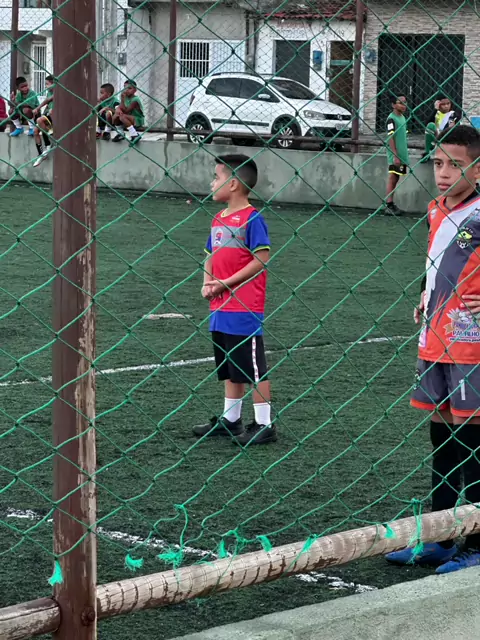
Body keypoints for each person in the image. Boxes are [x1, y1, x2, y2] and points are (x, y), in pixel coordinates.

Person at [386, 125, 480, 573]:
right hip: (435, 337)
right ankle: (440, 536)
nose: (442, 173)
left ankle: (477, 542)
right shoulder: (435, 209)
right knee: (441, 439)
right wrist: (423, 295)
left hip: (472, 344)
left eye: (455, 165)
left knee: (473, 442)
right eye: (438, 163)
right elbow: (436, 262)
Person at [192, 154, 276, 446]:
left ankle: (265, 424)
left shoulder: (253, 218)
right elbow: (209, 256)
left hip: (244, 308)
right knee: (229, 365)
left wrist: (225, 284)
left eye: (216, 177)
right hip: (220, 306)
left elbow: (260, 260)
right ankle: (231, 420)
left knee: (253, 368)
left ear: (234, 184)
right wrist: (207, 282)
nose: (211, 183)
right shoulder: (218, 219)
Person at [385, 94, 409, 216]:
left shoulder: (403, 117)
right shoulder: (391, 119)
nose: (404, 105)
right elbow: (391, 137)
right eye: (400, 103)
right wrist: (395, 155)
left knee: (396, 177)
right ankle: (388, 204)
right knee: (393, 177)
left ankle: (391, 203)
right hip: (395, 154)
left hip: (402, 153)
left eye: (405, 102)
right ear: (393, 105)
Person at [421, 95, 462, 163]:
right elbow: (427, 125)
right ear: (438, 104)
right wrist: (435, 109)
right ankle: (427, 153)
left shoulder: (453, 114)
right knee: (430, 125)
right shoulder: (436, 113)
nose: (446, 106)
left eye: (448, 103)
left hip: (448, 137)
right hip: (436, 136)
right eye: (443, 104)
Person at [112, 80, 144, 144]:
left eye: (129, 88)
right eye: (125, 88)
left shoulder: (135, 100)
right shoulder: (126, 98)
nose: (126, 90)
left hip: (137, 120)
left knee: (122, 116)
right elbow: (120, 107)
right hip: (128, 119)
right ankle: (121, 133)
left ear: (135, 90)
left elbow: (126, 111)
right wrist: (118, 109)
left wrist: (122, 100)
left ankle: (134, 134)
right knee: (116, 115)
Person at [32, 75, 55, 167]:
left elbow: (48, 100)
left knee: (39, 119)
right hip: (48, 116)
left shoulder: (58, 91)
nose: (45, 86)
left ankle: (48, 145)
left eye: (47, 84)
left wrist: (38, 108)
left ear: (54, 84)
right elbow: (48, 103)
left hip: (55, 118)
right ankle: (41, 154)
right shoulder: (49, 92)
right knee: (35, 131)